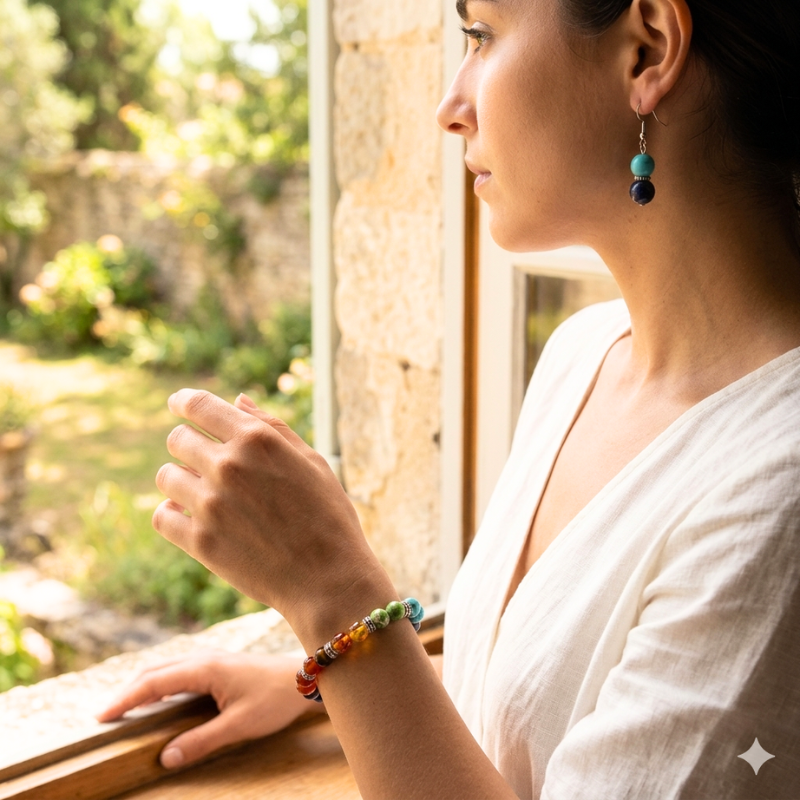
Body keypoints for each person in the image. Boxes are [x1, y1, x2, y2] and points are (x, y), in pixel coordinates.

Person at [97, 0, 800, 797]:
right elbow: (566, 679)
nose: (450, 106)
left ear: (647, 50)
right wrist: (320, 681)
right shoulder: (583, 355)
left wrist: (334, 597)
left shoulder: (781, 494)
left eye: (481, 36)